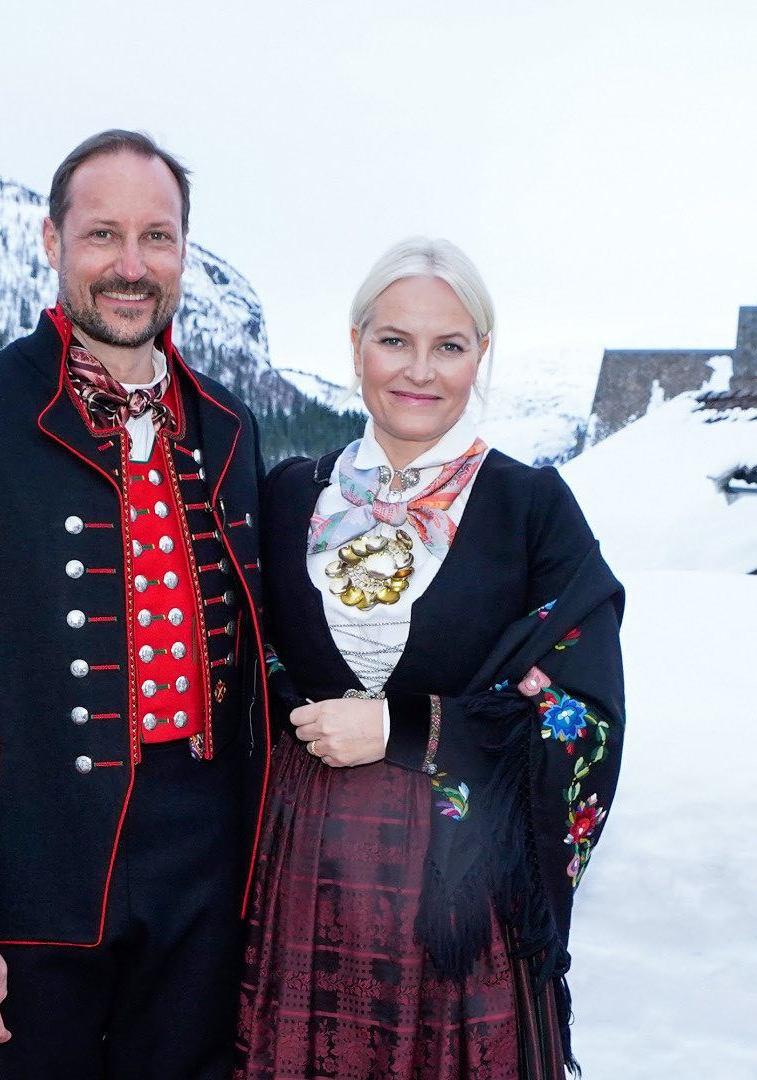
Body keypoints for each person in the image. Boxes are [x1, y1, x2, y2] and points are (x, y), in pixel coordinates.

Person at [0, 129, 271, 1080]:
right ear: (54, 242)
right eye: (102, 235)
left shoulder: (228, 425)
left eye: (157, 237)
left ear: (183, 251)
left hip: (208, 868)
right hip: (35, 865)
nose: (131, 266)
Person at [236, 238, 624, 1079]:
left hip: (462, 891)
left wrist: (405, 728)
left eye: (448, 345)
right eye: (394, 340)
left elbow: (580, 712)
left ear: (480, 354)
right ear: (356, 346)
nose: (419, 370)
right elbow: (238, 656)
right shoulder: (288, 495)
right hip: (304, 865)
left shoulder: (532, 509)